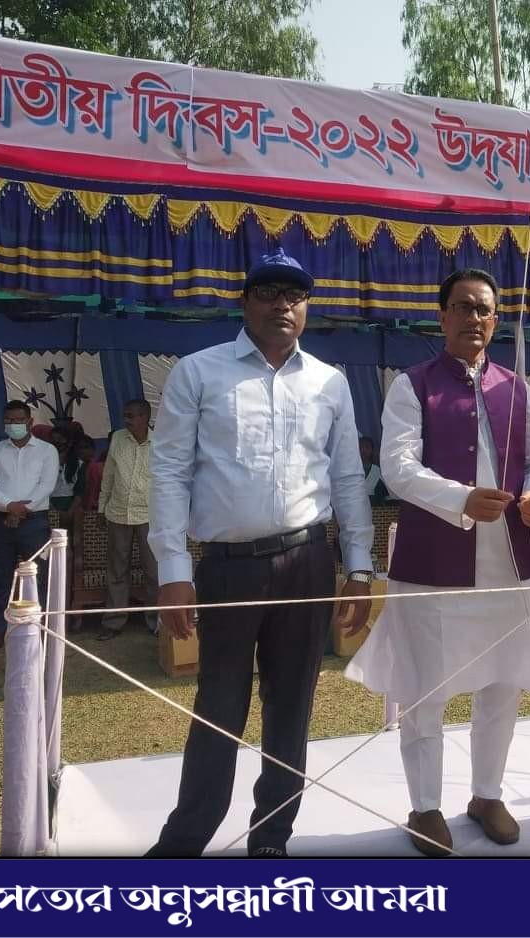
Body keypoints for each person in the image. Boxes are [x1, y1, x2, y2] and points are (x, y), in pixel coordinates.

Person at [145, 248, 374, 858]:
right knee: (218, 706)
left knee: (292, 706)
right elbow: (169, 472)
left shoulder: (329, 381)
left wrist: (358, 567)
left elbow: (348, 478)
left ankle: (271, 836)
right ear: (245, 302)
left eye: (295, 295)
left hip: (307, 561)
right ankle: (185, 841)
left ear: (307, 307)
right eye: (269, 292)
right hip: (227, 566)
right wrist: (173, 571)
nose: (282, 305)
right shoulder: (198, 372)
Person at [346, 268, 530, 857]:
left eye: (483, 309)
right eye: (462, 307)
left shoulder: (518, 389)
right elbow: (398, 467)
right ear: (442, 316)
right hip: (433, 565)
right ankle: (425, 806)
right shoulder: (412, 385)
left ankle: (487, 795)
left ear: (495, 319)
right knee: (425, 690)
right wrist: (459, 499)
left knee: (502, 685)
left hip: (508, 565)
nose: (474, 318)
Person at [0, 400, 60, 649]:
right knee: (0, 579)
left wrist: (21, 509)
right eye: (9, 421)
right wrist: (9, 506)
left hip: (34, 522)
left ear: (30, 422)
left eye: (18, 420)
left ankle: (39, 628)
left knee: (38, 578)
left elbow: (47, 485)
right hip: (1, 521)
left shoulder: (47, 450)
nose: (13, 424)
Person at [97, 399, 159, 640]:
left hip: (149, 515)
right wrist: (102, 508)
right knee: (117, 570)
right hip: (118, 513)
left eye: (132, 416)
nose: (127, 420)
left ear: (145, 417)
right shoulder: (118, 438)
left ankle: (155, 622)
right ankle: (113, 622)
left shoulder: (161, 441)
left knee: (153, 571)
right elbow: (109, 475)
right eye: (126, 416)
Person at [358, 435, 389, 503]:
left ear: (372, 450)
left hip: (374, 507)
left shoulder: (377, 471)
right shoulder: (350, 470)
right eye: (360, 447)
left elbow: (384, 494)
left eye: (367, 447)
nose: (363, 450)